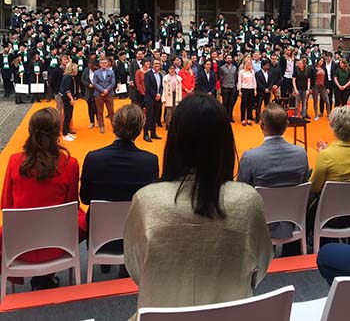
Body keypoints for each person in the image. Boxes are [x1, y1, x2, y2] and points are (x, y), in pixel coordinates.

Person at [124, 94, 272, 317]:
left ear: (174, 141)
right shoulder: (247, 200)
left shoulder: (146, 200)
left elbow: (136, 269)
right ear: (224, 142)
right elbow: (260, 266)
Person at [1, 107, 86, 290]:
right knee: (83, 219)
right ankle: (48, 275)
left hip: (20, 240)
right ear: (57, 133)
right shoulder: (69, 164)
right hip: (58, 241)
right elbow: (71, 206)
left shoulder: (15, 161)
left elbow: (5, 204)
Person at [80, 104, 159, 277]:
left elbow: (85, 198)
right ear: (139, 129)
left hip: (99, 234)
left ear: (114, 126)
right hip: (135, 235)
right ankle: (125, 264)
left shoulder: (94, 158)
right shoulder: (149, 162)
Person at [238, 103, 309, 247]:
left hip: (259, 221)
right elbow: (304, 182)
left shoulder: (251, 157)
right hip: (293, 219)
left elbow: (242, 191)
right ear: (287, 124)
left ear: (262, 125)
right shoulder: (301, 154)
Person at [310, 106, 350, 194]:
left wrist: (324, 153)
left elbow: (314, 187)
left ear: (334, 128)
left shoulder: (326, 155)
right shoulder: (327, 153)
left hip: (330, 204)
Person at [93, 58, 116, 134]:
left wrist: (107, 90)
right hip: (99, 94)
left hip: (109, 94)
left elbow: (113, 83)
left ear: (107, 64)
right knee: (99, 111)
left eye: (105, 63)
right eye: (102, 63)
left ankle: (114, 126)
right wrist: (103, 90)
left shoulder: (111, 72)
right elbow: (95, 83)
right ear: (100, 64)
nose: (104, 64)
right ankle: (101, 126)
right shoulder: (96, 73)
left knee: (111, 111)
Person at [143, 59, 163, 142]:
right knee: (149, 117)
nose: (157, 65)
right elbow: (148, 87)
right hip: (150, 98)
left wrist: (160, 94)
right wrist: (155, 95)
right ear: (152, 65)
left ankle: (153, 133)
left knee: (155, 116)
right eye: (155, 63)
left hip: (158, 99)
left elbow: (161, 87)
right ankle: (146, 134)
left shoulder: (160, 75)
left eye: (158, 63)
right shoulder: (148, 74)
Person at [59, 62, 78, 142]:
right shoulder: (68, 77)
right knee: (67, 116)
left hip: (68, 97)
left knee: (69, 115)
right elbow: (67, 90)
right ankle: (64, 133)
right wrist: (71, 99)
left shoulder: (69, 77)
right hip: (67, 98)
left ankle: (66, 131)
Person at [162, 65, 182, 129]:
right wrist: (163, 98)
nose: (172, 70)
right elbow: (163, 89)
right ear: (168, 70)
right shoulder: (165, 78)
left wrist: (180, 97)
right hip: (168, 95)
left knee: (175, 111)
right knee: (168, 111)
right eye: (171, 69)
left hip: (176, 94)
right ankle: (167, 124)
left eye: (173, 69)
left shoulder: (178, 78)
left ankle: (174, 124)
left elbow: (180, 88)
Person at [237, 59, 257, 126]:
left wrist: (255, 89)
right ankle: (243, 119)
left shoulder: (252, 72)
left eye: (250, 63)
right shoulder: (241, 72)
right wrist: (239, 90)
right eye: (248, 63)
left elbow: (254, 80)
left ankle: (249, 119)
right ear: (245, 64)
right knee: (244, 104)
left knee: (250, 104)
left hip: (251, 89)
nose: (249, 64)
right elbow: (239, 81)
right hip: (244, 89)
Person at [219, 54, 237, 122]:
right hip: (225, 87)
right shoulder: (222, 68)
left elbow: (235, 77)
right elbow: (220, 77)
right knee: (225, 102)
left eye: (230, 58)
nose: (229, 59)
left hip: (232, 87)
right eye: (228, 58)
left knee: (231, 102)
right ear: (225, 59)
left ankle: (230, 116)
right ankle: (224, 116)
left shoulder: (234, 67)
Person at [81, 59, 99, 128]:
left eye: (92, 65)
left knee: (97, 107)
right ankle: (92, 122)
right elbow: (82, 79)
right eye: (89, 65)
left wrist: (96, 85)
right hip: (88, 91)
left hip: (96, 91)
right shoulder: (86, 70)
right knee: (90, 108)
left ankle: (98, 121)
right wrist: (88, 85)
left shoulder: (98, 70)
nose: (90, 66)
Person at [255, 59, 272, 123]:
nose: (268, 67)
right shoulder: (258, 73)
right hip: (260, 92)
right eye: (266, 65)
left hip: (268, 92)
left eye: (268, 65)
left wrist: (269, 89)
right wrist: (264, 89)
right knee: (258, 105)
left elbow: (271, 82)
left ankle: (266, 118)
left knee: (267, 105)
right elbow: (258, 83)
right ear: (262, 66)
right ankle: (257, 118)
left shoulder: (270, 73)